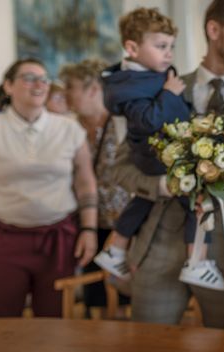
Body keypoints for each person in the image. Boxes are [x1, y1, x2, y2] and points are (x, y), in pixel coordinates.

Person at [111, 0, 224, 326]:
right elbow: (120, 167)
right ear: (214, 30)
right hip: (159, 248)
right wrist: (160, 185)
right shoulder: (161, 87)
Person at [92, 8, 224, 290]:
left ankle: (115, 248)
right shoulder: (130, 86)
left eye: (172, 47)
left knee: (140, 202)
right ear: (132, 47)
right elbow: (146, 120)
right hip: (155, 155)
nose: (169, 54)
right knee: (196, 202)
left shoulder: (143, 77)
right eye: (161, 46)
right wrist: (169, 94)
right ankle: (197, 262)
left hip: (157, 151)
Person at [0, 58, 98, 317]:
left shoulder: (69, 129)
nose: (39, 84)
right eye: (29, 78)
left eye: (44, 79)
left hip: (58, 238)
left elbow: (85, 182)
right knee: (1, 323)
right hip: (4, 239)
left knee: (55, 325)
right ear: (8, 86)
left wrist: (89, 230)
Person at [60, 58, 131, 310]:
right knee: (95, 296)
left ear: (93, 89)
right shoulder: (69, 127)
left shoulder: (122, 123)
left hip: (123, 225)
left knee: (124, 294)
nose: (64, 92)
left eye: (71, 86)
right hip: (87, 223)